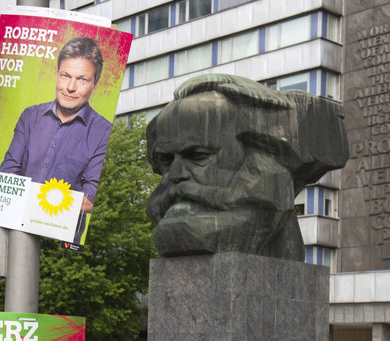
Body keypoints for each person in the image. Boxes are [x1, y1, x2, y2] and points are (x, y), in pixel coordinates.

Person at [145, 73, 348, 259]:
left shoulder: (268, 178)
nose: (176, 175)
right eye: (167, 161)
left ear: (258, 155)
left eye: (198, 155)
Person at [0, 37, 111, 215]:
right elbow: (8, 173)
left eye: (82, 79)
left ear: (94, 84)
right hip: (16, 225)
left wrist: (29, 198)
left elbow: (89, 199)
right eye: (66, 76)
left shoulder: (103, 132)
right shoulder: (30, 116)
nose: (71, 87)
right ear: (57, 74)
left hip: (61, 236)